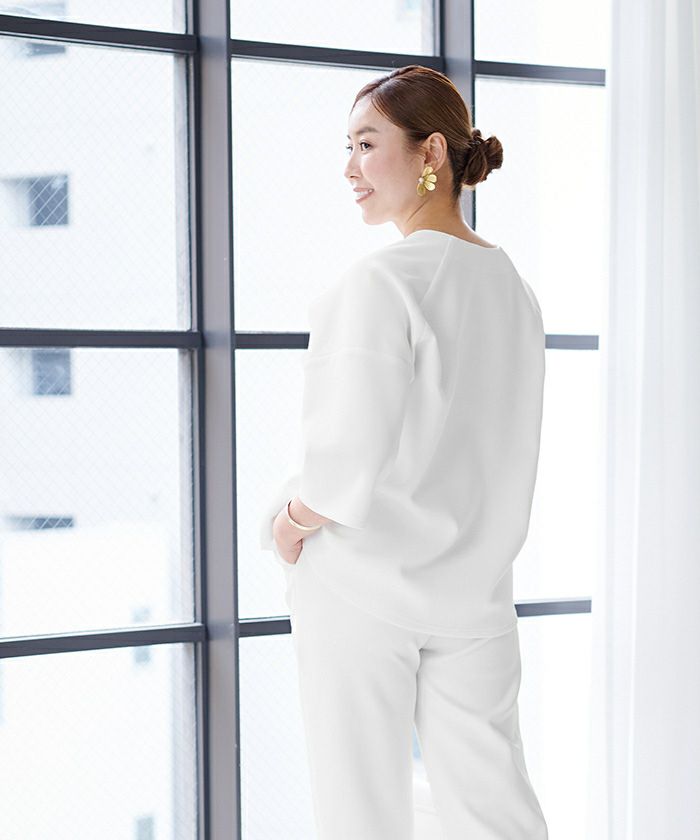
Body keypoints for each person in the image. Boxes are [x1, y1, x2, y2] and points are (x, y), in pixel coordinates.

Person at [259, 64, 548, 840]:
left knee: (360, 807)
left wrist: (290, 520)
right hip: (474, 588)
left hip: (363, 583)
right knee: (495, 807)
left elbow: (345, 458)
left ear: (431, 153)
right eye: (348, 147)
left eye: (366, 144)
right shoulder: (512, 287)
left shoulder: (381, 282)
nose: (349, 168)